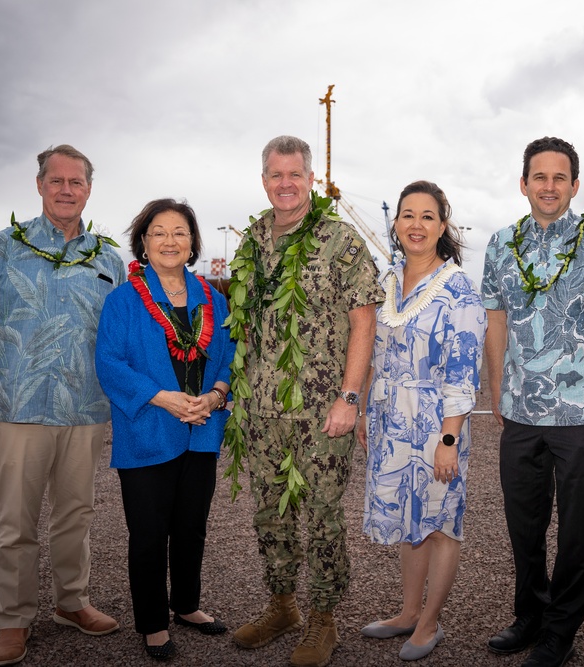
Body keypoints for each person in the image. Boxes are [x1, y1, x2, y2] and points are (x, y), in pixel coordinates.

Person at [482, 137, 584, 667]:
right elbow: (496, 321)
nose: (549, 187)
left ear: (575, 185)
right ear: (524, 183)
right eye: (539, 177)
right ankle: (529, 616)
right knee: (523, 525)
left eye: (560, 178)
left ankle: (561, 632)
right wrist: (495, 392)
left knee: (578, 529)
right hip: (522, 412)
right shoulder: (500, 244)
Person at [0, 145, 124, 666]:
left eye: (76, 182)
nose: (66, 189)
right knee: (16, 520)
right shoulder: (2, 248)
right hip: (18, 407)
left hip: (85, 408)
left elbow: (122, 336)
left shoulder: (108, 257)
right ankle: (13, 618)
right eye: (57, 181)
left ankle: (71, 602)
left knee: (76, 513)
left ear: (89, 189)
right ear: (39, 185)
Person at [227, 135, 384, 667]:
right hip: (262, 408)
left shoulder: (340, 241)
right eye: (276, 175)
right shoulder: (251, 242)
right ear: (264, 180)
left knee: (320, 515)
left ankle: (323, 619)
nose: (285, 184)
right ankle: (282, 605)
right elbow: (245, 324)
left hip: (322, 410)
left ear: (311, 179)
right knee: (269, 513)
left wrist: (349, 397)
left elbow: (364, 320)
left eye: (295, 174)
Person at [95, 199, 235, 661]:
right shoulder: (123, 300)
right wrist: (164, 398)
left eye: (180, 232)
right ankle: (153, 623)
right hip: (148, 428)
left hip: (201, 429)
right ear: (144, 242)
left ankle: (188, 605)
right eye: (159, 232)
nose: (170, 241)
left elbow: (229, 358)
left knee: (191, 526)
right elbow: (109, 363)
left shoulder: (213, 299)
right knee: (150, 532)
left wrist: (215, 396)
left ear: (193, 242)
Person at [356, 181, 487, 661]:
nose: (416, 224)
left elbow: (464, 370)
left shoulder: (458, 290)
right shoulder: (387, 282)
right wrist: (368, 413)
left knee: (439, 524)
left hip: (436, 424)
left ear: (442, 225)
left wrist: (449, 438)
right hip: (390, 418)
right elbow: (374, 353)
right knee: (408, 520)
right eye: (407, 215)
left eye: (427, 216)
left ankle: (430, 623)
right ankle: (408, 612)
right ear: (395, 224)